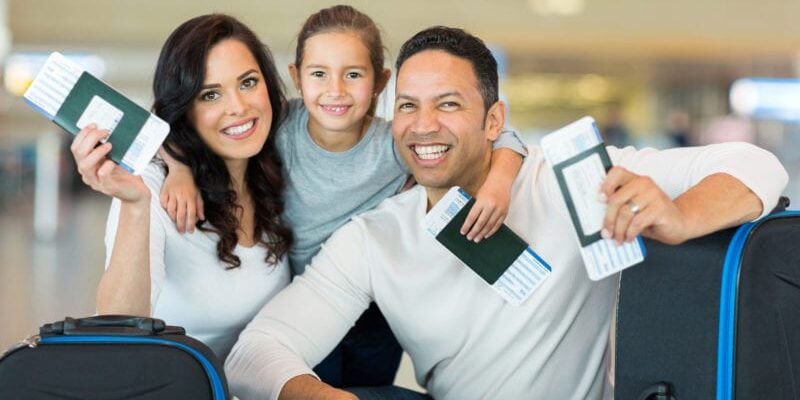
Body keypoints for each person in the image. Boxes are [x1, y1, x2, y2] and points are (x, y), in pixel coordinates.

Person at [224, 26, 788, 400]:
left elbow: (755, 164)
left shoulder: (574, 180)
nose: (424, 126)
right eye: (408, 107)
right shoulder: (374, 237)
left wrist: (680, 216)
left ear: (495, 121)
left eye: (449, 105)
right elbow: (255, 354)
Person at [160, 5, 527, 387]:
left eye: (353, 75)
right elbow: (167, 127)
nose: (335, 91)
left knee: (370, 388)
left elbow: (502, 135)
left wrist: (499, 181)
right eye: (319, 74)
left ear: (381, 81)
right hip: (304, 299)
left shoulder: (397, 143)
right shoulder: (278, 126)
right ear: (296, 77)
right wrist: (180, 169)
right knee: (302, 380)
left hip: (375, 309)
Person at [69, 14, 293, 360]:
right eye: (210, 95)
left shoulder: (279, 163)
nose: (238, 107)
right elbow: (116, 332)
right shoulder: (153, 188)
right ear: (184, 109)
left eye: (248, 83)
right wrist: (135, 204)